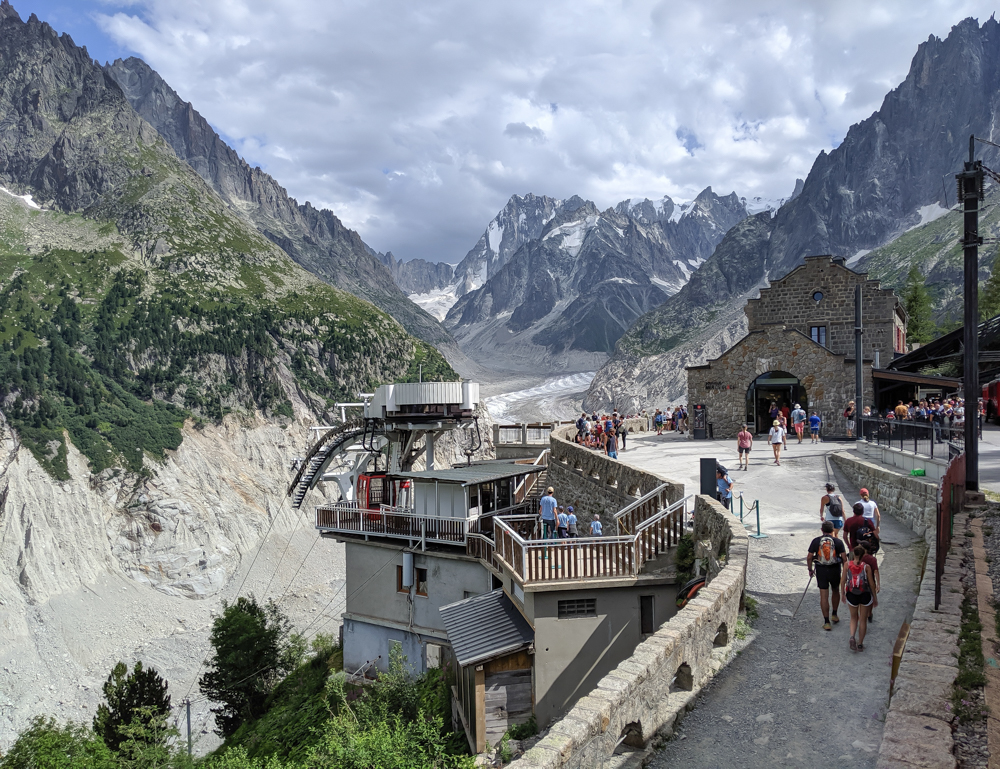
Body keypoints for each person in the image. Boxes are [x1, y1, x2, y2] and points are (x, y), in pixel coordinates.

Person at [807, 521, 846, 630]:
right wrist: (845, 572)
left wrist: (810, 569)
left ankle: (826, 622)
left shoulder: (816, 541)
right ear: (833, 530)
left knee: (824, 595)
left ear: (822, 529)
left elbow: (809, 556)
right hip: (834, 569)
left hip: (821, 570)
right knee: (835, 590)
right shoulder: (838, 542)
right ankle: (834, 614)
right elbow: (844, 558)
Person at [841, 544, 877, 651]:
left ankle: (852, 636)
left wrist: (842, 593)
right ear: (863, 555)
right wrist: (874, 597)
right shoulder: (867, 567)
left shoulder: (847, 564)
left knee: (853, 617)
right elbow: (871, 584)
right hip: (865, 594)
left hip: (852, 594)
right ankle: (860, 644)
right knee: (863, 620)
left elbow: (843, 580)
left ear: (853, 554)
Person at [860, 539, 881, 623]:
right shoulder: (872, 559)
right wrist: (878, 583)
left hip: (859, 581)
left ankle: (862, 615)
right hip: (870, 581)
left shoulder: (858, 557)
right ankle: (869, 613)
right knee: (870, 598)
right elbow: (875, 571)